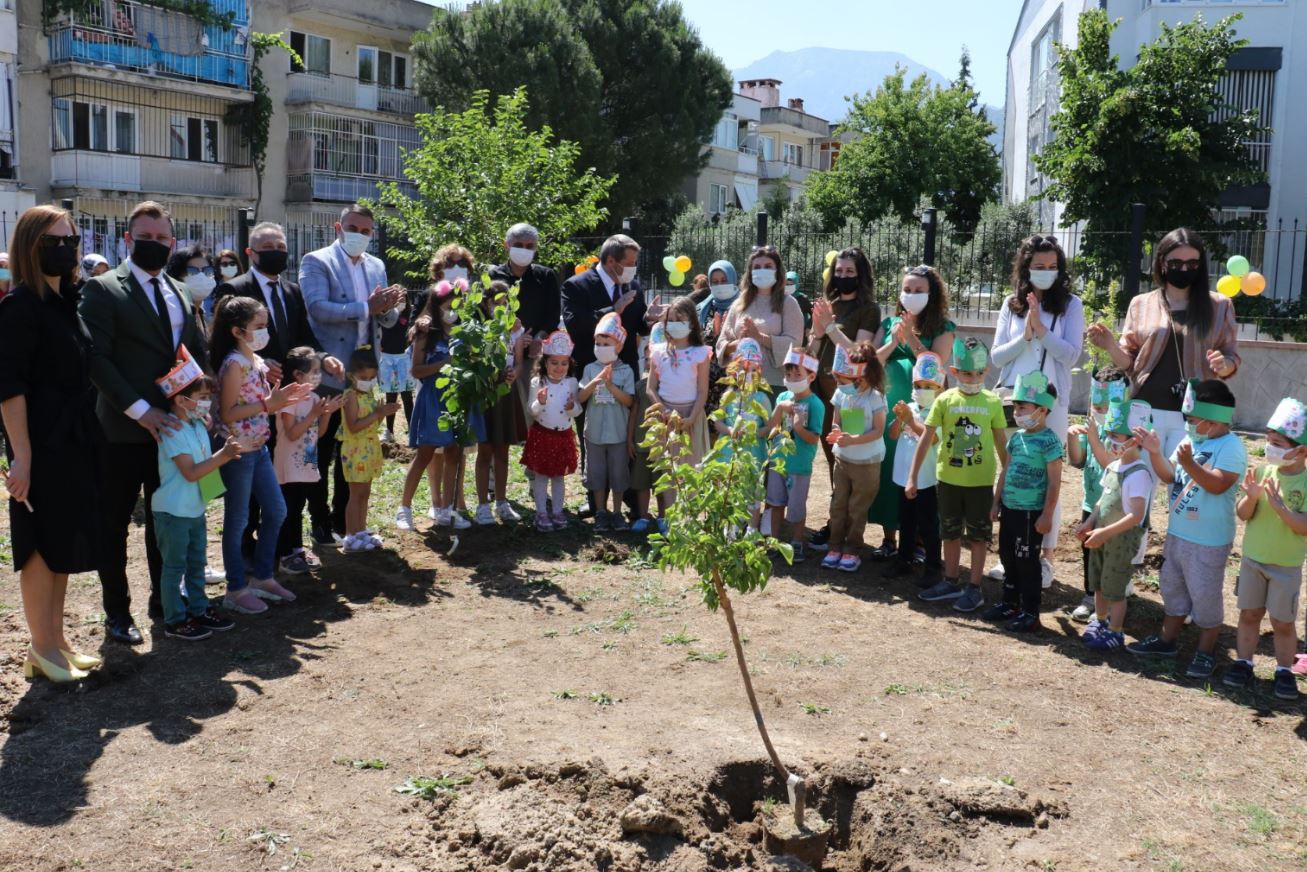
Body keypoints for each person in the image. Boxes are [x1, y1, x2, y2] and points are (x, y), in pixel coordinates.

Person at [80, 200, 208, 645]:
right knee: (113, 524)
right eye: (145, 237)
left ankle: (164, 603)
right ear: (127, 239)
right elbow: (97, 358)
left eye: (161, 239)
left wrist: (198, 405)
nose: (153, 244)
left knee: (166, 518)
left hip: (173, 432)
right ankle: (117, 613)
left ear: (171, 243)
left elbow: (191, 353)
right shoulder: (103, 290)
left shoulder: (178, 290)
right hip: (120, 430)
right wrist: (140, 409)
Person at [0, 205, 103, 681]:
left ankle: (55, 642)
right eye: (51, 241)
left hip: (74, 440)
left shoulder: (67, 303)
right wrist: (22, 456)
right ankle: (41, 646)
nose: (64, 248)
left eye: (70, 239)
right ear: (29, 247)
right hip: (39, 444)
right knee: (39, 546)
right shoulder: (19, 308)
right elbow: (9, 388)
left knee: (61, 539)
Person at [218, 222, 337, 559]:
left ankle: (282, 545)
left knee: (281, 477)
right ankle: (245, 548)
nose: (276, 251)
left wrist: (325, 359)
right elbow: (223, 344)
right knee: (249, 480)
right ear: (250, 252)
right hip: (249, 401)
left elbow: (304, 338)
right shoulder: (234, 289)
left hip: (290, 400)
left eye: (281, 245)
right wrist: (257, 361)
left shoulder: (291, 291)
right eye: (267, 245)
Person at [299, 203, 406, 544]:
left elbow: (383, 319)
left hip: (363, 374)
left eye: (365, 231)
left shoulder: (376, 266)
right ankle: (318, 522)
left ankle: (345, 522)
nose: (359, 235)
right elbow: (317, 308)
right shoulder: (317, 261)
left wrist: (390, 308)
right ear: (338, 227)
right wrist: (366, 307)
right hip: (329, 370)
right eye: (353, 228)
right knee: (324, 446)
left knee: (356, 445)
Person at [1128, 379, 1246, 681]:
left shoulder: (1231, 447)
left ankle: (1206, 653)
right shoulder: (1190, 442)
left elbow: (1218, 484)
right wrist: (1155, 452)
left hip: (1209, 541)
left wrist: (1190, 463)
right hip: (1178, 535)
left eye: (1192, 420)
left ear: (1213, 418)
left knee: (1205, 597)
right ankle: (1166, 642)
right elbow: (1170, 476)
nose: (1188, 425)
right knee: (1173, 589)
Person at [1087, 228, 1240, 460]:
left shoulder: (1220, 306)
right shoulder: (1141, 304)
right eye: (1176, 263)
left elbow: (1232, 357)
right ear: (1162, 263)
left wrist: (1223, 365)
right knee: (1138, 485)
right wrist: (1110, 345)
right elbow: (1129, 362)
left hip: (1194, 414)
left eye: (1192, 263)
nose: (1185, 269)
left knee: (1181, 486)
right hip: (1145, 412)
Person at [989, 235, 1086, 587]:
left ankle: (1044, 558)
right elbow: (997, 356)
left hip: (1050, 404)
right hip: (1014, 399)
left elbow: (1072, 355)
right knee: (1014, 473)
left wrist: (1042, 331)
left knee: (1046, 477)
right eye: (1039, 267)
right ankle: (1012, 553)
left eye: (1052, 267)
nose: (1045, 273)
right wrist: (1026, 335)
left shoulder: (1071, 305)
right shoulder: (1010, 304)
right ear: (1026, 269)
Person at [210, 296, 315, 615]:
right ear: (238, 331)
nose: (264, 332)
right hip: (238, 452)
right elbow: (228, 413)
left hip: (258, 448)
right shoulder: (233, 364)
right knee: (238, 520)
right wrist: (271, 404)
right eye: (258, 326)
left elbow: (260, 402)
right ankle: (236, 588)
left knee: (276, 510)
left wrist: (280, 399)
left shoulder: (254, 361)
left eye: (265, 325)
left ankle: (263, 577)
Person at [912, 337, 1006, 613]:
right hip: (948, 481)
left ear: (987, 371)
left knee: (978, 537)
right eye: (966, 373)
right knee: (949, 533)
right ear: (954, 372)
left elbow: (1002, 446)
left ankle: (974, 588)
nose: (973, 378)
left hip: (980, 484)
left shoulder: (993, 402)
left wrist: (1002, 490)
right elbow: (926, 438)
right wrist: (912, 476)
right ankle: (951, 580)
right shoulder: (944, 400)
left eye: (978, 373)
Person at [152, 367, 242, 641]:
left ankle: (199, 610)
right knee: (174, 567)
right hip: (173, 511)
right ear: (180, 400)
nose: (208, 402)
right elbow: (190, 472)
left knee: (196, 563)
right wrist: (223, 456)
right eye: (202, 396)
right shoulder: (171, 430)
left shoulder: (196, 424)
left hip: (194, 508)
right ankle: (175, 620)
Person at [1229, 397, 1307, 701]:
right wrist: (1250, 497)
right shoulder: (1262, 474)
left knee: (1282, 622)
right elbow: (1243, 514)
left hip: (1286, 566)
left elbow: (1303, 526)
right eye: (1268, 440)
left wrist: (1281, 508)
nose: (1269, 447)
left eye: (1277, 442)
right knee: (1249, 613)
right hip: (1253, 560)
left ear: (1300, 449)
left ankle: (1284, 670)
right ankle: (1243, 662)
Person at [397, 278, 484, 530]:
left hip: (459, 400)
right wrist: (444, 363)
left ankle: (446, 510)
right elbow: (416, 370)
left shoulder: (465, 334)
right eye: (449, 305)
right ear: (437, 306)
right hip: (433, 399)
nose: (453, 309)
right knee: (425, 453)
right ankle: (404, 508)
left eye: (459, 304)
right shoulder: (427, 333)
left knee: (454, 453)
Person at [982, 371, 1063, 632]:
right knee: (1007, 556)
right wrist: (996, 503)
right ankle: (1010, 603)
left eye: (1022, 407)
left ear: (1041, 410)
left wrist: (1047, 514)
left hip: (1031, 513)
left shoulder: (1050, 441)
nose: (1016, 412)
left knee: (1027, 562)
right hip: (1010, 509)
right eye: (1015, 406)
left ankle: (1030, 612)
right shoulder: (1016, 438)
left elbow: (1054, 482)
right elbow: (1005, 471)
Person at [1075, 399, 1155, 651]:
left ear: (1136, 439)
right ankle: (1100, 621)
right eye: (1108, 434)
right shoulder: (1113, 466)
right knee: (1098, 582)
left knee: (1116, 587)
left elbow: (1136, 515)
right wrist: (1089, 522)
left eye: (1116, 436)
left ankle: (1116, 631)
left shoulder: (1139, 473)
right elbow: (1101, 501)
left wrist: (1105, 531)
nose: (1110, 441)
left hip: (1120, 541)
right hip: (1101, 536)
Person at [1065, 367, 1129, 621]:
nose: (1099, 412)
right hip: (1091, 503)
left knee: (1111, 557)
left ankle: (1111, 602)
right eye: (1096, 406)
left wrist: (1094, 438)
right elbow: (1077, 461)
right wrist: (1072, 439)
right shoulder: (1091, 425)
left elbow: (1111, 467)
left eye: (1105, 408)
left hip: (1114, 507)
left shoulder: (1123, 432)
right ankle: (1090, 596)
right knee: (1090, 553)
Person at [274, 347, 342, 574]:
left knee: (299, 506)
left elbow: (319, 433)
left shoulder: (314, 398)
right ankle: (285, 553)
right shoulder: (289, 399)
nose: (318, 375)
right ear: (297, 375)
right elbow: (292, 433)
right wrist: (314, 414)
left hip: (307, 461)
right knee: (289, 509)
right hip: (289, 463)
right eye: (313, 371)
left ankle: (297, 549)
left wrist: (327, 413)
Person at [819, 344, 886, 572]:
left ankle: (853, 549)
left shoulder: (876, 397)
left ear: (865, 375)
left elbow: (878, 430)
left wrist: (852, 439)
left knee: (858, 508)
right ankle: (835, 545)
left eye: (848, 378)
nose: (843, 383)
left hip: (867, 463)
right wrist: (837, 432)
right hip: (843, 459)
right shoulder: (841, 393)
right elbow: (836, 420)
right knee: (838, 504)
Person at [886, 352, 945, 585]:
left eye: (928, 386)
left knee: (929, 524)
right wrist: (900, 419)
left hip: (926, 479)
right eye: (918, 385)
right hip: (903, 477)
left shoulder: (938, 411)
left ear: (939, 388)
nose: (922, 390)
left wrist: (911, 420)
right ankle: (904, 560)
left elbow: (932, 440)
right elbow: (892, 434)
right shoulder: (910, 406)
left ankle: (933, 567)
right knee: (906, 521)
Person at [473, 280, 528, 525]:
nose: (501, 307)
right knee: (484, 449)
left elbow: (518, 361)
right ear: (485, 303)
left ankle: (502, 502)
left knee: (503, 449)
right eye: (496, 302)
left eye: (505, 302)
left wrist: (514, 373)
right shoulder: (478, 329)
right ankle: (482, 505)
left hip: (506, 392)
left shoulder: (515, 328)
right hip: (485, 392)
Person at [717, 245, 803, 393]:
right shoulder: (739, 304)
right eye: (757, 267)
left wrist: (759, 337)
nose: (762, 270)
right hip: (740, 383)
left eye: (768, 266)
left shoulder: (788, 303)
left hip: (773, 385)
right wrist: (741, 342)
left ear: (777, 271)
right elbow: (722, 343)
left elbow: (794, 344)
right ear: (750, 273)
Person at [765, 350, 824, 563]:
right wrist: (780, 408)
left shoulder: (815, 404)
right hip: (778, 461)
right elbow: (772, 426)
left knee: (797, 506)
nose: (791, 380)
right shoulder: (782, 397)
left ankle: (797, 541)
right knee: (775, 501)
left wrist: (798, 426)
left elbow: (813, 438)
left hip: (799, 465)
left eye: (797, 375)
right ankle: (773, 540)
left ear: (811, 376)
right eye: (788, 375)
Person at [579, 312, 636, 532]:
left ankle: (617, 512)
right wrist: (595, 382)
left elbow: (630, 401)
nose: (601, 347)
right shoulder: (590, 369)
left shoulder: (626, 371)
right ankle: (601, 512)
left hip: (618, 433)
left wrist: (612, 387)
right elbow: (581, 397)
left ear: (618, 347)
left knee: (618, 474)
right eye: (598, 343)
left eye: (606, 343)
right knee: (597, 474)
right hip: (594, 433)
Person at [338, 346, 399, 552]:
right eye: (364, 376)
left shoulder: (369, 394)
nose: (369, 380)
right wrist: (377, 413)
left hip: (369, 448)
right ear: (350, 376)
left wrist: (382, 414)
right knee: (355, 494)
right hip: (356, 450)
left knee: (365, 492)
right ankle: (350, 535)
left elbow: (372, 424)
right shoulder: (350, 396)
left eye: (372, 376)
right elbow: (354, 426)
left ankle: (361, 530)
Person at [524, 330, 581, 531]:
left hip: (563, 435)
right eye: (554, 363)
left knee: (558, 476)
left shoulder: (572, 383)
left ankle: (557, 511)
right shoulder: (537, 383)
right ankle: (541, 512)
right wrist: (540, 402)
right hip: (542, 435)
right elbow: (532, 410)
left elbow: (577, 411)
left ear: (569, 364)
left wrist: (572, 407)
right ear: (545, 363)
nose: (559, 368)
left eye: (563, 363)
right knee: (541, 475)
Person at [714, 338, 772, 533]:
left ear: (759, 373)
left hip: (753, 452)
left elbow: (770, 426)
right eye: (743, 370)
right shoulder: (729, 396)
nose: (748, 375)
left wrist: (755, 433)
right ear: (733, 371)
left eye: (753, 370)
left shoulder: (762, 399)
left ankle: (752, 528)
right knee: (730, 488)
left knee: (753, 490)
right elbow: (717, 421)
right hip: (729, 452)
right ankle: (731, 526)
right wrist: (730, 431)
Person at [649, 297, 713, 473]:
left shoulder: (700, 353)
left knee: (691, 468)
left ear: (692, 323)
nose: (675, 324)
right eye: (671, 320)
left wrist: (692, 417)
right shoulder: (658, 352)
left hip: (691, 416)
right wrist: (663, 411)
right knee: (668, 471)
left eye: (681, 320)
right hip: (666, 417)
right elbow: (651, 388)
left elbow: (702, 390)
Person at [629, 327, 663, 534]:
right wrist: (629, 440)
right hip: (641, 443)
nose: (651, 363)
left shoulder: (669, 386)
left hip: (662, 446)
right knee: (641, 483)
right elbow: (633, 414)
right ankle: (642, 516)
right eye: (648, 359)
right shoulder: (641, 386)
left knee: (661, 483)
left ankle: (662, 517)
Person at [697, 259, 738, 418]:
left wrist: (721, 339)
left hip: (732, 377)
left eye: (724, 280)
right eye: (715, 282)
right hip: (706, 378)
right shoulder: (703, 308)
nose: (720, 285)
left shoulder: (743, 306)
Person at [784, 270, 812, 334]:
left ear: (796, 285)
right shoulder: (780, 298)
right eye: (786, 284)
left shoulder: (802, 298)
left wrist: (808, 327)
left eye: (791, 284)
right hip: (784, 333)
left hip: (800, 333)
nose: (788, 286)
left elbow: (814, 313)